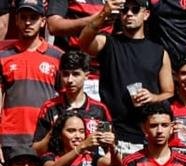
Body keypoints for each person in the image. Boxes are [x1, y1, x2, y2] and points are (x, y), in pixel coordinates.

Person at [80, 0, 175, 153]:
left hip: (146, 135)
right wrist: (103, 14)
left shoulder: (159, 52)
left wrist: (152, 97)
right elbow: (83, 43)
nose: (129, 14)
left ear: (146, 14)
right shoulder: (108, 43)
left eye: (135, 9)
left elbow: (169, 92)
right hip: (112, 131)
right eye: (124, 10)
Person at [0, 0, 64, 149]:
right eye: (23, 17)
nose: (28, 22)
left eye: (33, 17)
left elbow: (64, 101)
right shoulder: (3, 56)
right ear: (16, 20)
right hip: (10, 139)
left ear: (42, 22)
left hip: (44, 139)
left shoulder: (58, 56)